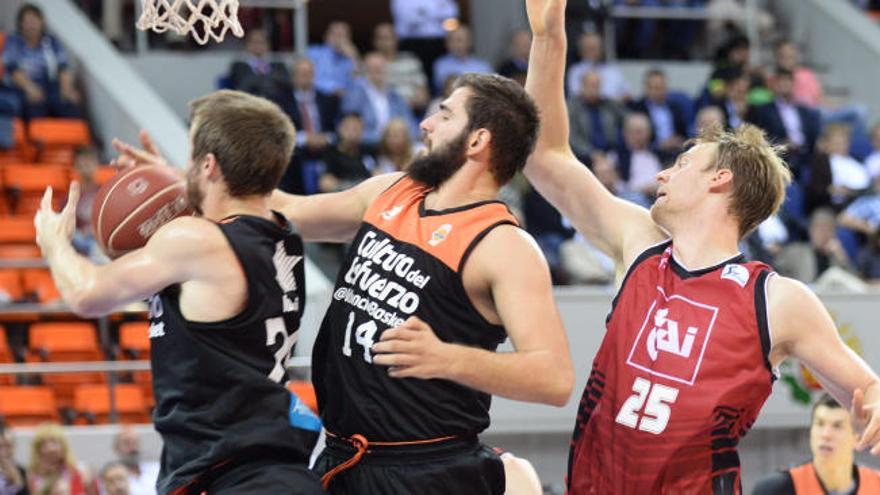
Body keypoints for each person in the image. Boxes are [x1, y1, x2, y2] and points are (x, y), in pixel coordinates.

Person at [113, 74, 574, 494]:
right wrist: (192, 182)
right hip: (339, 456)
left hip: (424, 467)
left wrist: (447, 357)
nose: (427, 123)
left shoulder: (503, 245)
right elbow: (285, 209)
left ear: (477, 140)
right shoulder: (393, 190)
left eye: (446, 113)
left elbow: (553, 379)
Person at [523, 1, 880, 493]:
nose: (663, 174)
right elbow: (544, 157)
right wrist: (548, 40)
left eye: (682, 163)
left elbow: (865, 388)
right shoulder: (640, 245)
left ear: (720, 179)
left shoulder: (775, 299)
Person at [34, 90, 323, 494]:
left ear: (209, 165)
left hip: (231, 473)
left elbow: (87, 294)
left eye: (191, 157)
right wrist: (181, 185)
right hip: (268, 465)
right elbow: (234, 205)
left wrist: (55, 243)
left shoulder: (194, 240)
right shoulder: (283, 233)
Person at [753, 394, 880, 494]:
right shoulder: (775, 489)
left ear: (857, 437)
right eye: (820, 424)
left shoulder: (876, 485)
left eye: (837, 426)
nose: (826, 434)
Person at [2, 4, 81, 118]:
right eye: (27, 22)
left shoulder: (51, 41)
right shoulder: (14, 41)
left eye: (34, 21)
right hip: (21, 87)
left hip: (48, 84)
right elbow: (13, 70)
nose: (31, 26)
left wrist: (67, 90)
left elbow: (63, 67)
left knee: (69, 104)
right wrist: (30, 88)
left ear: (41, 22)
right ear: (20, 24)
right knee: (35, 105)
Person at [26, 423, 93, 495]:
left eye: (54, 442)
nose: (50, 448)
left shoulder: (78, 470)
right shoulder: (33, 476)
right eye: (44, 444)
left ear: (63, 446)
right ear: (37, 449)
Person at [226, 28, 288, 101]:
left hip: (274, 103)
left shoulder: (278, 65)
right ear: (247, 45)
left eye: (261, 42)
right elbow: (241, 87)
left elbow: (287, 85)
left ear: (268, 45)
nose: (258, 46)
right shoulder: (239, 66)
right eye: (255, 42)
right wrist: (267, 79)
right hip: (249, 103)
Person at [111, 426, 158, 495]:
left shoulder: (156, 468)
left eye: (135, 443)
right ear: (116, 448)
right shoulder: (112, 476)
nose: (133, 448)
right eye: (127, 443)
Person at [0, 426, 26, 495]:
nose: (3, 451)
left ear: (14, 447)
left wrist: (17, 482)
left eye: (8, 446)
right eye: (0, 446)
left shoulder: (21, 470)